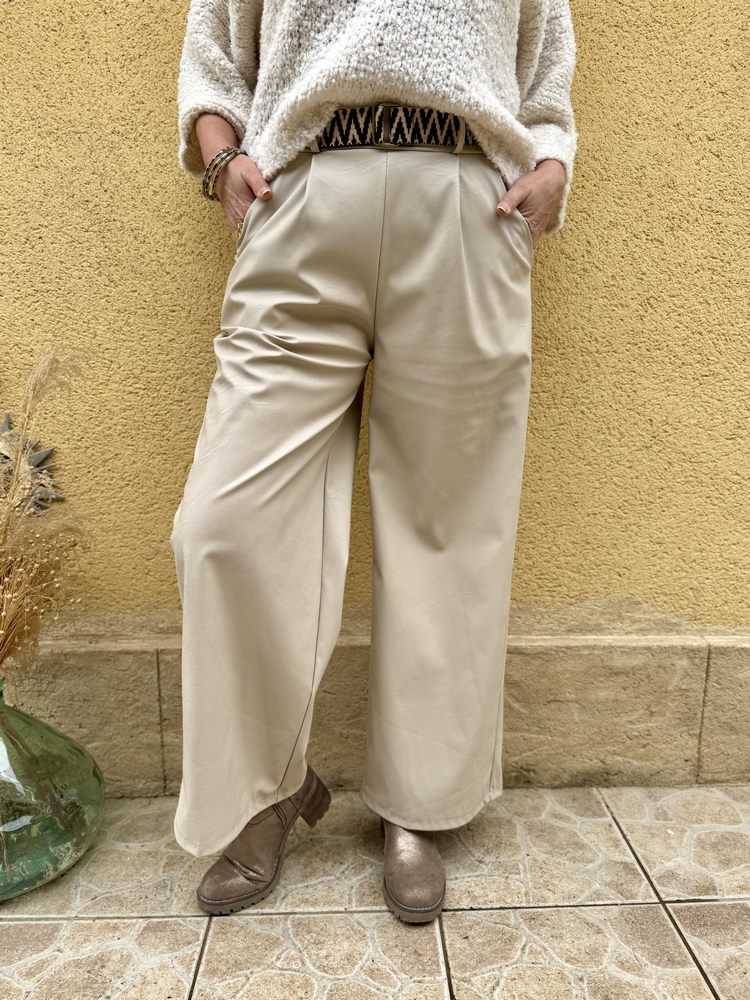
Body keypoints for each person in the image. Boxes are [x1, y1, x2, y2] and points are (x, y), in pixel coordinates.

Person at [169, 0, 577, 924]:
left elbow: (545, 67)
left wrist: (552, 162)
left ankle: (418, 806)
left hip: (469, 202)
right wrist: (222, 159)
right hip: (302, 196)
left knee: (447, 525)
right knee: (220, 525)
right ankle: (265, 787)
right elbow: (214, 55)